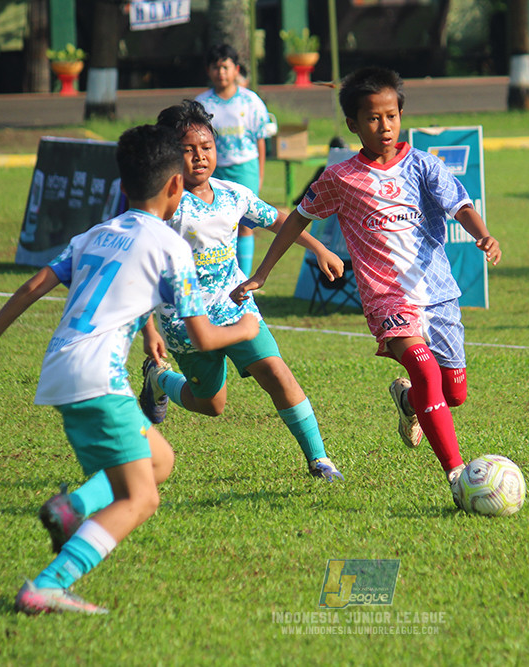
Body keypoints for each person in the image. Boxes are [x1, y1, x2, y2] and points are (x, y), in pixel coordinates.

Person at [0, 125, 259, 615]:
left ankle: (72, 508)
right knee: (141, 500)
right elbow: (204, 336)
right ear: (176, 186)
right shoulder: (171, 245)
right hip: (99, 378)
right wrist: (246, 328)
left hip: (63, 368)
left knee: (160, 459)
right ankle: (48, 585)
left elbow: (37, 282)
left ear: (123, 187)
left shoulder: (97, 233)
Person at [231, 67, 502, 506]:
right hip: (387, 300)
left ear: (401, 115)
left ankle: (409, 402)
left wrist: (481, 233)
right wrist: (262, 272)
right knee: (426, 370)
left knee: (454, 392)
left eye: (391, 116)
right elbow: (299, 216)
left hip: (438, 294)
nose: (385, 126)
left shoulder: (423, 165)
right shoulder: (341, 178)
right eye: (373, 118)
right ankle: (456, 475)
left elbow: (461, 203)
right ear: (353, 124)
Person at [138, 99, 345, 482]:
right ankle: (159, 377)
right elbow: (142, 270)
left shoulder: (233, 194)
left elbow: (279, 219)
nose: (200, 157)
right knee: (211, 405)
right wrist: (148, 328)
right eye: (188, 150)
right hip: (187, 322)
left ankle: (320, 461)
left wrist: (319, 248)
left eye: (207, 148)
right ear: (169, 154)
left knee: (278, 373)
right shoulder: (164, 208)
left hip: (236, 309)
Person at [195, 44, 271, 276]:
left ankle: (243, 280)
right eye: (216, 68)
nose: (221, 73)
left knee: (246, 224)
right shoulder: (202, 104)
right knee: (215, 223)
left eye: (226, 67)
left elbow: (260, 140)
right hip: (213, 170)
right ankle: (219, 274)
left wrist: (258, 175)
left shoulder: (251, 101)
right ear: (209, 71)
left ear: (236, 69)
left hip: (244, 167)